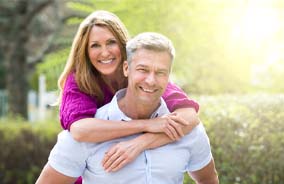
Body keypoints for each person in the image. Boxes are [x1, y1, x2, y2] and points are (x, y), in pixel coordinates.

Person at [38, 10, 201, 183]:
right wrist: (148, 125)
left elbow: (189, 116)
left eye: (111, 43)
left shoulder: (144, 75)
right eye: (95, 45)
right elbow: (79, 130)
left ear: (123, 45)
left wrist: (141, 143)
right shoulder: (79, 81)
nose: (105, 52)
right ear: (85, 51)